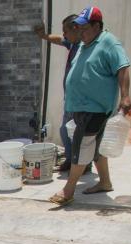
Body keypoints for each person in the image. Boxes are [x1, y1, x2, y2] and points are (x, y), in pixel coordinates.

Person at [52, 6, 131, 206]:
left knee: (81, 146)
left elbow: (122, 67)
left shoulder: (109, 43)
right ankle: (105, 182)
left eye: (84, 28)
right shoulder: (83, 44)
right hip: (80, 106)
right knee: (97, 147)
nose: (81, 32)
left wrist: (125, 96)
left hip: (95, 107)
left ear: (97, 26)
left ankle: (68, 190)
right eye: (79, 28)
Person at [35, 15, 84, 171]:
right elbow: (60, 40)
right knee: (66, 130)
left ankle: (80, 164)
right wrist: (44, 36)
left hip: (80, 99)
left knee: (75, 133)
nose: (64, 35)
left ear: (75, 29)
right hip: (70, 98)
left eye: (65, 31)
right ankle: (72, 161)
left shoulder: (85, 47)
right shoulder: (73, 43)